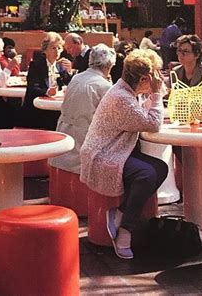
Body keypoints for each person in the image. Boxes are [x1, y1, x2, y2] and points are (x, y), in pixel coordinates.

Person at [80, 49, 168, 260]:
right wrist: (157, 96)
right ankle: (125, 231)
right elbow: (153, 123)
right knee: (146, 174)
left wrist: (152, 99)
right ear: (145, 78)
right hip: (102, 155)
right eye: (157, 75)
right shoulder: (121, 98)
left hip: (116, 149)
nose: (160, 79)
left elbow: (142, 117)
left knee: (161, 168)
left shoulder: (126, 92)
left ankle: (119, 214)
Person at [49, 44, 116, 173]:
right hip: (84, 143)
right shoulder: (104, 86)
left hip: (64, 137)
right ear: (108, 66)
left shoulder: (76, 78)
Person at [20, 32, 72, 130]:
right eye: (53, 48)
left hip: (54, 108)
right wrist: (47, 92)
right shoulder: (36, 65)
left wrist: (69, 72)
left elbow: (69, 85)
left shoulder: (60, 66)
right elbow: (32, 88)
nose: (57, 51)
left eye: (59, 48)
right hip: (37, 111)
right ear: (45, 50)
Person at [171, 34, 202, 104]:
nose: (181, 54)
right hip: (180, 112)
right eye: (179, 50)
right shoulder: (175, 72)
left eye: (185, 51)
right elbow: (169, 95)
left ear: (196, 55)